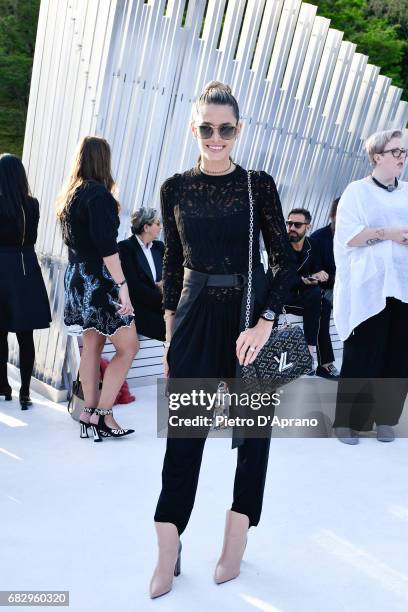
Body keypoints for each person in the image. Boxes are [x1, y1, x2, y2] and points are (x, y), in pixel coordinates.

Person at [149, 81, 297, 599]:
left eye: (226, 129)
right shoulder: (174, 188)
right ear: (194, 128)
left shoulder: (259, 185)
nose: (216, 137)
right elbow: (171, 263)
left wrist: (265, 322)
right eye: (207, 128)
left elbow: (285, 261)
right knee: (184, 434)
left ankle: (236, 541)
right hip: (191, 317)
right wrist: (170, 333)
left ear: (239, 130)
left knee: (253, 435)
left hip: (249, 319)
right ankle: (169, 546)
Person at [57, 136, 138, 441]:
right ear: (103, 160)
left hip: (78, 277)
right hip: (100, 280)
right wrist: (122, 286)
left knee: (92, 346)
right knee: (129, 347)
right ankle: (104, 415)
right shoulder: (99, 195)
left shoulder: (69, 196)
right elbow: (107, 248)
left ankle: (88, 412)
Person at [333, 129, 408, 444]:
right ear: (377, 156)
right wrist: (390, 232)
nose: (402, 157)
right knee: (363, 354)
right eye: (395, 152)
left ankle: (386, 419)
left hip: (403, 284)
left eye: (404, 152)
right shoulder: (356, 192)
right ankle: (346, 422)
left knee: (399, 355)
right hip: (369, 286)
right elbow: (348, 236)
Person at [0, 154, 51, 409]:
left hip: (1, 267)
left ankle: (3, 385)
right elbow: (31, 236)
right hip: (25, 268)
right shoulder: (32, 205)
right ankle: (25, 391)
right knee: (25, 334)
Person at [284, 208, 339, 379]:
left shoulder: (312, 245)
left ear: (307, 227)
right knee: (319, 299)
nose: (292, 227)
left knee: (321, 300)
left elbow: (316, 271)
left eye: (297, 224)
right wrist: (308, 278)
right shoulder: (280, 246)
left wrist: (321, 275)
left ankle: (312, 359)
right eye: (289, 223)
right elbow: (282, 280)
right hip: (281, 295)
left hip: (305, 297)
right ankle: (320, 361)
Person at [118, 208, 165, 341]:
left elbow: (171, 275)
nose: (160, 227)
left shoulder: (159, 247)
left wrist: (164, 285)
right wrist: (164, 300)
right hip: (140, 309)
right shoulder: (125, 248)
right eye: (157, 223)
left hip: (160, 306)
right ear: (146, 227)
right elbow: (134, 287)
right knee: (171, 327)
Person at [310, 197, 339, 307]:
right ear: (332, 215)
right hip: (326, 290)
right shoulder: (318, 238)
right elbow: (315, 273)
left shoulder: (354, 239)